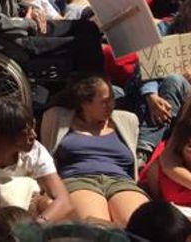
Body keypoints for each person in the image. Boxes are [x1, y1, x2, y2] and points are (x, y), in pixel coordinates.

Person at [39, 75, 148, 225]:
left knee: (141, 226)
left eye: (112, 100)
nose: (111, 106)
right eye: (104, 102)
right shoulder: (57, 118)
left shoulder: (127, 120)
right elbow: (44, 159)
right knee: (98, 228)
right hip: (80, 179)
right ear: (84, 103)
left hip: (121, 182)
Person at [0, 98, 73, 226]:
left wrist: (36, 226)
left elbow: (63, 200)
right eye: (25, 132)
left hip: (27, 208)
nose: (34, 135)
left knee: (49, 206)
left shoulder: (35, 152)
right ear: (2, 136)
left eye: (33, 127)